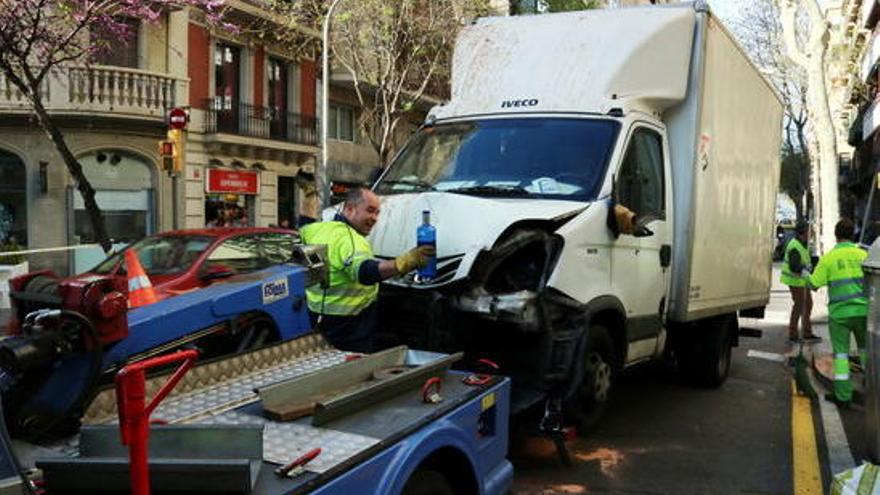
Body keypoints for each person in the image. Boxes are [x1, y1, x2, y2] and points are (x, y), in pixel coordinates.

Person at [299, 187, 434, 352]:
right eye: (370, 211)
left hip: (318, 319)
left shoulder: (315, 230)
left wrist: (308, 196)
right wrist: (404, 262)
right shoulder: (351, 240)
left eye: (377, 213)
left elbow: (303, 225)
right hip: (350, 328)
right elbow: (365, 272)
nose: (374, 218)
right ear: (349, 208)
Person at [808, 218, 868, 407]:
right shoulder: (864, 255)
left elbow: (813, 283)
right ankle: (872, 388)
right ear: (853, 235)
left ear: (836, 236)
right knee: (866, 351)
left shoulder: (829, 258)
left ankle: (843, 396)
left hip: (840, 315)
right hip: (864, 312)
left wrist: (804, 273)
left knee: (841, 355)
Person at [780, 221, 820, 343]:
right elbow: (794, 266)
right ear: (803, 234)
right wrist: (804, 271)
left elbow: (806, 262)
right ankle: (793, 334)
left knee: (807, 305)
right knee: (799, 306)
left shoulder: (804, 244)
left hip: (802, 281)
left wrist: (813, 262)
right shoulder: (794, 246)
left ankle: (807, 332)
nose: (811, 234)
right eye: (810, 232)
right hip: (795, 281)